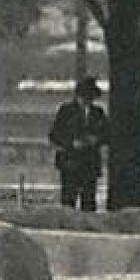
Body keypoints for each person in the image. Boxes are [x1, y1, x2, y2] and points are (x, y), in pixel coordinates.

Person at [49, 76, 110, 211]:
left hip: (90, 162)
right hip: (70, 162)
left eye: (91, 97)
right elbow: (54, 135)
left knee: (89, 200)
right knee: (68, 199)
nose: (88, 100)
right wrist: (71, 143)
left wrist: (96, 139)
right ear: (78, 96)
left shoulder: (98, 112)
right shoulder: (66, 111)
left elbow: (107, 134)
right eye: (85, 97)